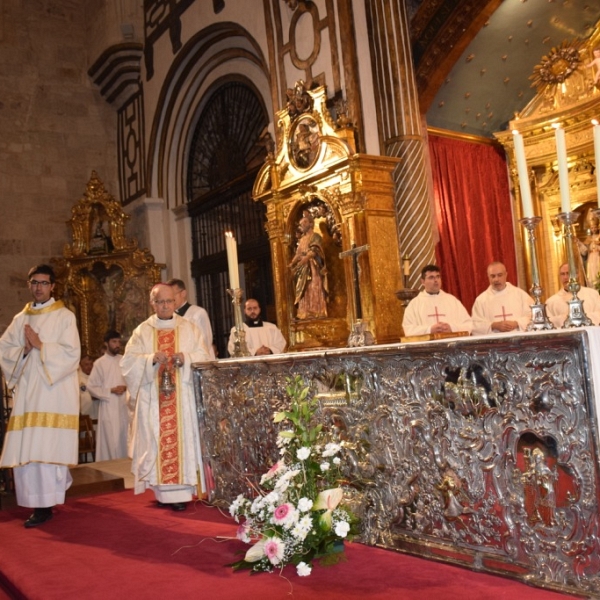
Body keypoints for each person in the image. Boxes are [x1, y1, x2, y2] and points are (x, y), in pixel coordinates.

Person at [0, 265, 80, 528]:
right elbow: (5, 350)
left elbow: (71, 354)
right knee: (30, 449)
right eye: (34, 282)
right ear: (28, 284)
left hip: (52, 393)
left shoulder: (65, 317)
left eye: (44, 283)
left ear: (52, 286)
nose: (38, 287)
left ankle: (45, 504)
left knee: (47, 447)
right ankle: (36, 502)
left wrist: (41, 346)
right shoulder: (20, 318)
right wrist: (23, 351)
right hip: (28, 394)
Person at [120, 284, 212, 511]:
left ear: (175, 302)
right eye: (159, 302)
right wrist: (150, 359)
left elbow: (205, 357)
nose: (165, 306)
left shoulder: (189, 328)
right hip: (154, 401)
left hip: (182, 400)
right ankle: (162, 492)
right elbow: (128, 363)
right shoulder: (142, 331)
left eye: (169, 301)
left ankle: (180, 494)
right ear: (152, 303)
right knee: (156, 441)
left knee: (181, 441)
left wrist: (186, 358)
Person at [86, 330, 130, 461]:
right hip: (108, 405)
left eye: (119, 342)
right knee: (111, 438)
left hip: (123, 405)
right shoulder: (99, 363)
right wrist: (110, 390)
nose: (117, 345)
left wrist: (125, 387)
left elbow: (132, 380)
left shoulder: (124, 360)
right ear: (106, 343)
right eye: (114, 341)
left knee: (124, 435)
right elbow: (91, 386)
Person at [402, 264, 473, 336]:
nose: (436, 280)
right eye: (431, 277)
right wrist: (429, 330)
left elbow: (468, 324)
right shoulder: (414, 304)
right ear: (422, 281)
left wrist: (452, 328)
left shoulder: (452, 301)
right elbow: (408, 329)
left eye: (438, 277)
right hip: (428, 346)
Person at [471, 262, 533, 335]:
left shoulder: (520, 295)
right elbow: (475, 325)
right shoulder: (481, 300)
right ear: (488, 277)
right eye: (493, 276)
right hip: (494, 343)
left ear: (506, 275)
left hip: (518, 340)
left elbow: (533, 316)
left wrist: (517, 323)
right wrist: (493, 325)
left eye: (500, 275)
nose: (496, 279)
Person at [289, 212, 328, 319]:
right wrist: (292, 263)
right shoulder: (302, 239)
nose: (302, 225)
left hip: (313, 267)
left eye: (305, 222)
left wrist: (306, 258)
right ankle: (304, 312)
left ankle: (316, 311)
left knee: (313, 286)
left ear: (311, 224)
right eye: (301, 223)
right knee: (304, 289)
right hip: (303, 267)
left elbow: (315, 250)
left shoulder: (316, 236)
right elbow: (298, 253)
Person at [166, 278, 215, 360]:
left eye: (173, 295)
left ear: (183, 293)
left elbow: (206, 341)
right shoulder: (170, 316)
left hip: (198, 362)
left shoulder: (198, 313)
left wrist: (188, 357)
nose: (170, 299)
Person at [546, 263, 600, 327]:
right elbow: (549, 324)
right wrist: (564, 318)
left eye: (568, 273)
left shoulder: (592, 294)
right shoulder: (551, 302)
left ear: (577, 275)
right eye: (562, 274)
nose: (565, 277)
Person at [78, 351, 98, 421]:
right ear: (81, 365)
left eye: (91, 364)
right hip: (84, 417)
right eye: (86, 364)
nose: (89, 367)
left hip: (98, 416)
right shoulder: (77, 379)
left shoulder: (98, 377)